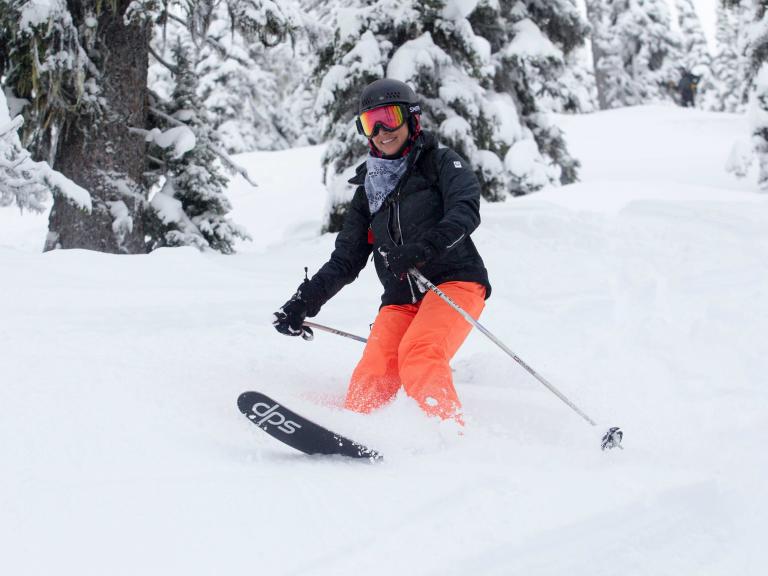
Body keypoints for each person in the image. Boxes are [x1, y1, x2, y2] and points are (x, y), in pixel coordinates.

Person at [272, 78, 491, 424]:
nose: (381, 131)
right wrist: (305, 300)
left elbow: (465, 211)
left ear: (411, 118)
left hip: (454, 282)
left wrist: (425, 248)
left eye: (389, 118)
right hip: (401, 296)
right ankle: (363, 435)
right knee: (372, 374)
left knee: (419, 354)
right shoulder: (368, 192)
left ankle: (447, 433)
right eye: (370, 123)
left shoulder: (440, 163)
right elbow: (346, 259)